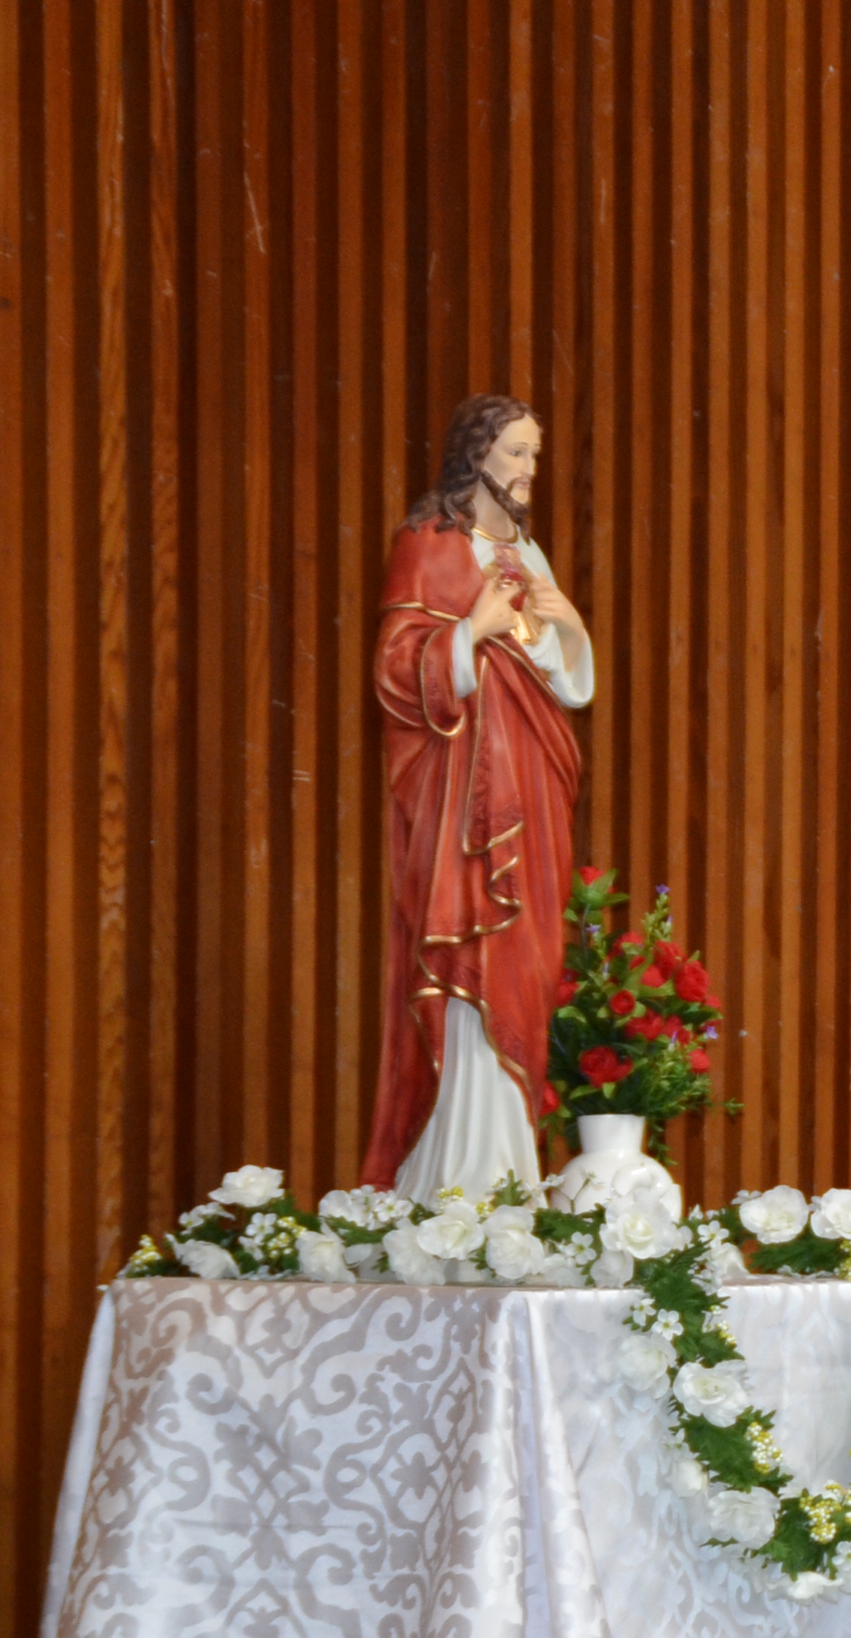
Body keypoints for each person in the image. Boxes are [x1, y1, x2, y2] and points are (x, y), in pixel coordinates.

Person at [358, 392, 597, 1202]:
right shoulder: (429, 544)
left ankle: (511, 1174)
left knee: (528, 963)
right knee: (474, 955)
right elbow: (396, 668)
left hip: (533, 785)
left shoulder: (529, 554)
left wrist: (569, 631)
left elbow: (564, 684)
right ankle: (460, 1175)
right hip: (462, 802)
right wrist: (472, 633)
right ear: (477, 453)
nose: (529, 470)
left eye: (535, 454)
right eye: (517, 453)